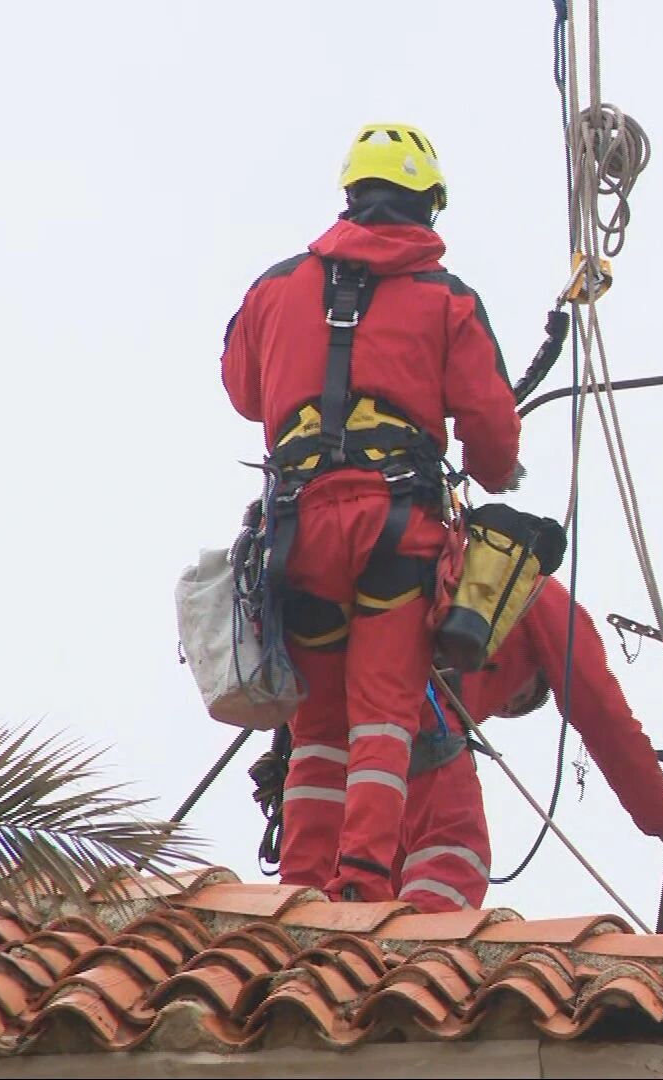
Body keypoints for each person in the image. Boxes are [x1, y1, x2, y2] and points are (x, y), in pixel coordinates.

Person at [222, 122, 522, 902]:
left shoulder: (272, 289)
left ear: (351, 197)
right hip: (397, 528)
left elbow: (242, 390)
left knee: (318, 725)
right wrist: (497, 468)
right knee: (385, 713)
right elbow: (490, 434)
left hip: (298, 531)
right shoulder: (446, 299)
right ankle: (360, 889)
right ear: (428, 209)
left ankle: (304, 891)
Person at [308, 578, 663, 912]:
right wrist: (662, 816)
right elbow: (603, 714)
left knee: (335, 878)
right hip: (412, 712)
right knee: (454, 856)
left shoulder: (424, 565)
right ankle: (414, 967)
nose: (504, 706)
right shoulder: (533, 591)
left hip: (331, 719)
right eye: (518, 699)